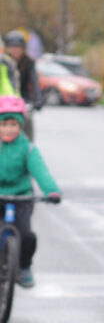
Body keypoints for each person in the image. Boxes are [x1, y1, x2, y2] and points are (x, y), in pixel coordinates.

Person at [0, 95, 61, 288]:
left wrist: (51, 191)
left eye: (13, 124)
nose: (8, 129)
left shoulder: (27, 148)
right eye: (4, 124)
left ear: (20, 126)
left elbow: (40, 171)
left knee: (26, 236)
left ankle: (24, 266)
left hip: (22, 197)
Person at [4, 30, 42, 139]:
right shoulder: (3, 61)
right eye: (12, 48)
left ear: (23, 49)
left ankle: (28, 147)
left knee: (28, 118)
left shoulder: (29, 62)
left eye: (18, 48)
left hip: (23, 98)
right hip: (5, 98)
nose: (15, 51)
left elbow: (34, 82)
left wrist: (38, 100)